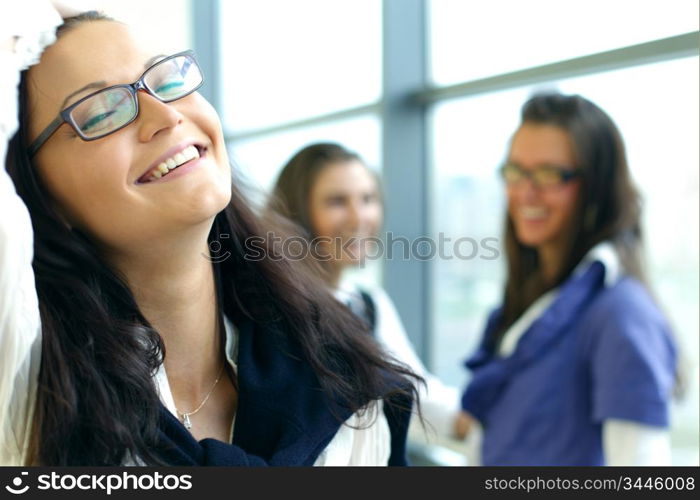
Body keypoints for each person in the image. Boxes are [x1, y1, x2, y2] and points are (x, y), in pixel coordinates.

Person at [1, 9, 420, 466]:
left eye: (165, 80)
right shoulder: (31, 384)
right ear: (36, 192)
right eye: (102, 110)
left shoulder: (342, 382)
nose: (164, 115)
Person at [457, 92, 677, 465]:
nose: (526, 191)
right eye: (515, 171)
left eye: (549, 174)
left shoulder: (619, 313)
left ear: (596, 187)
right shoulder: (532, 302)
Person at [269, 142, 462, 441]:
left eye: (368, 199)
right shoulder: (274, 307)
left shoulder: (367, 304)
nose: (358, 217)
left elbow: (416, 393)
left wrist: (486, 418)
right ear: (295, 212)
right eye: (337, 201)